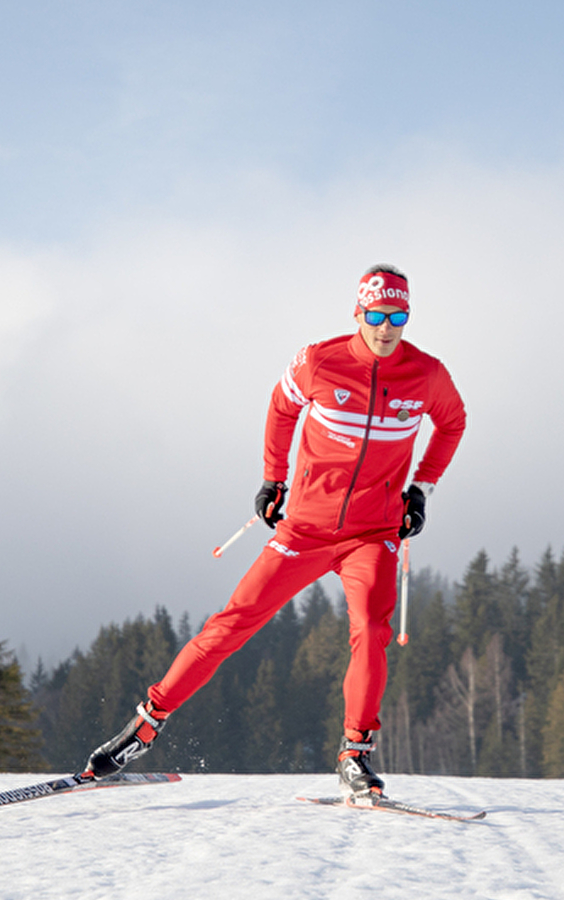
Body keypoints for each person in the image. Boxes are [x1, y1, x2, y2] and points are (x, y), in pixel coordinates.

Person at [81, 264, 466, 798]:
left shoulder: (426, 374)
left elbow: (453, 423)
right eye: (376, 315)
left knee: (371, 632)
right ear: (358, 313)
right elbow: (282, 407)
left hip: (372, 532)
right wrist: (272, 480)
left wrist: (420, 490)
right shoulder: (319, 361)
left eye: (397, 316)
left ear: (408, 316)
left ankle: (355, 755)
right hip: (304, 528)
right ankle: (145, 725)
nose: (385, 327)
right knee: (234, 622)